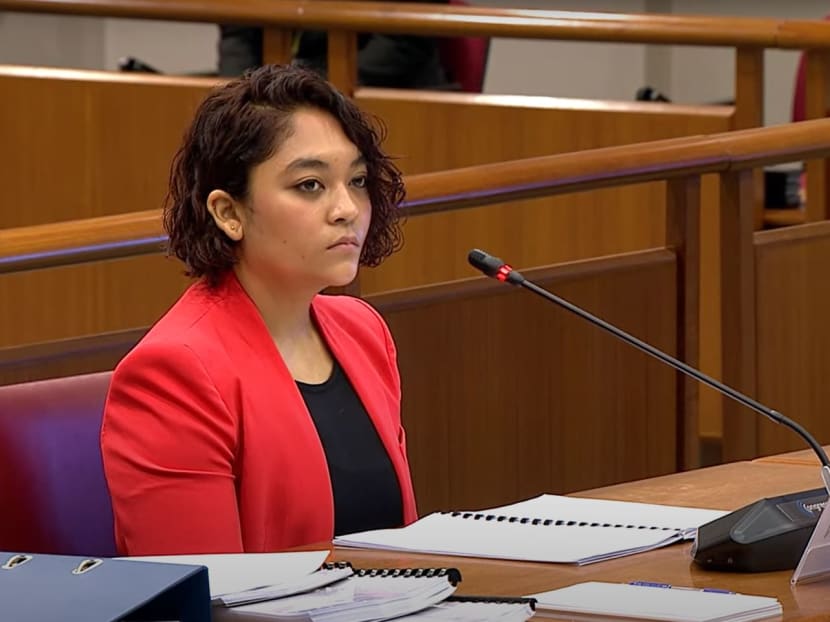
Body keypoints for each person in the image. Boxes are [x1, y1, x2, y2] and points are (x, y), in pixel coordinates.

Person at [100, 64, 417, 555]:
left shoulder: (363, 331)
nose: (347, 208)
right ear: (229, 213)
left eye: (356, 180)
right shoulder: (175, 372)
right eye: (310, 185)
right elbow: (204, 593)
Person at [218, 0, 451, 89]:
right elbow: (239, 33)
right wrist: (238, 92)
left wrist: (309, 89)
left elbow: (400, 44)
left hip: (383, 92)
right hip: (273, 91)